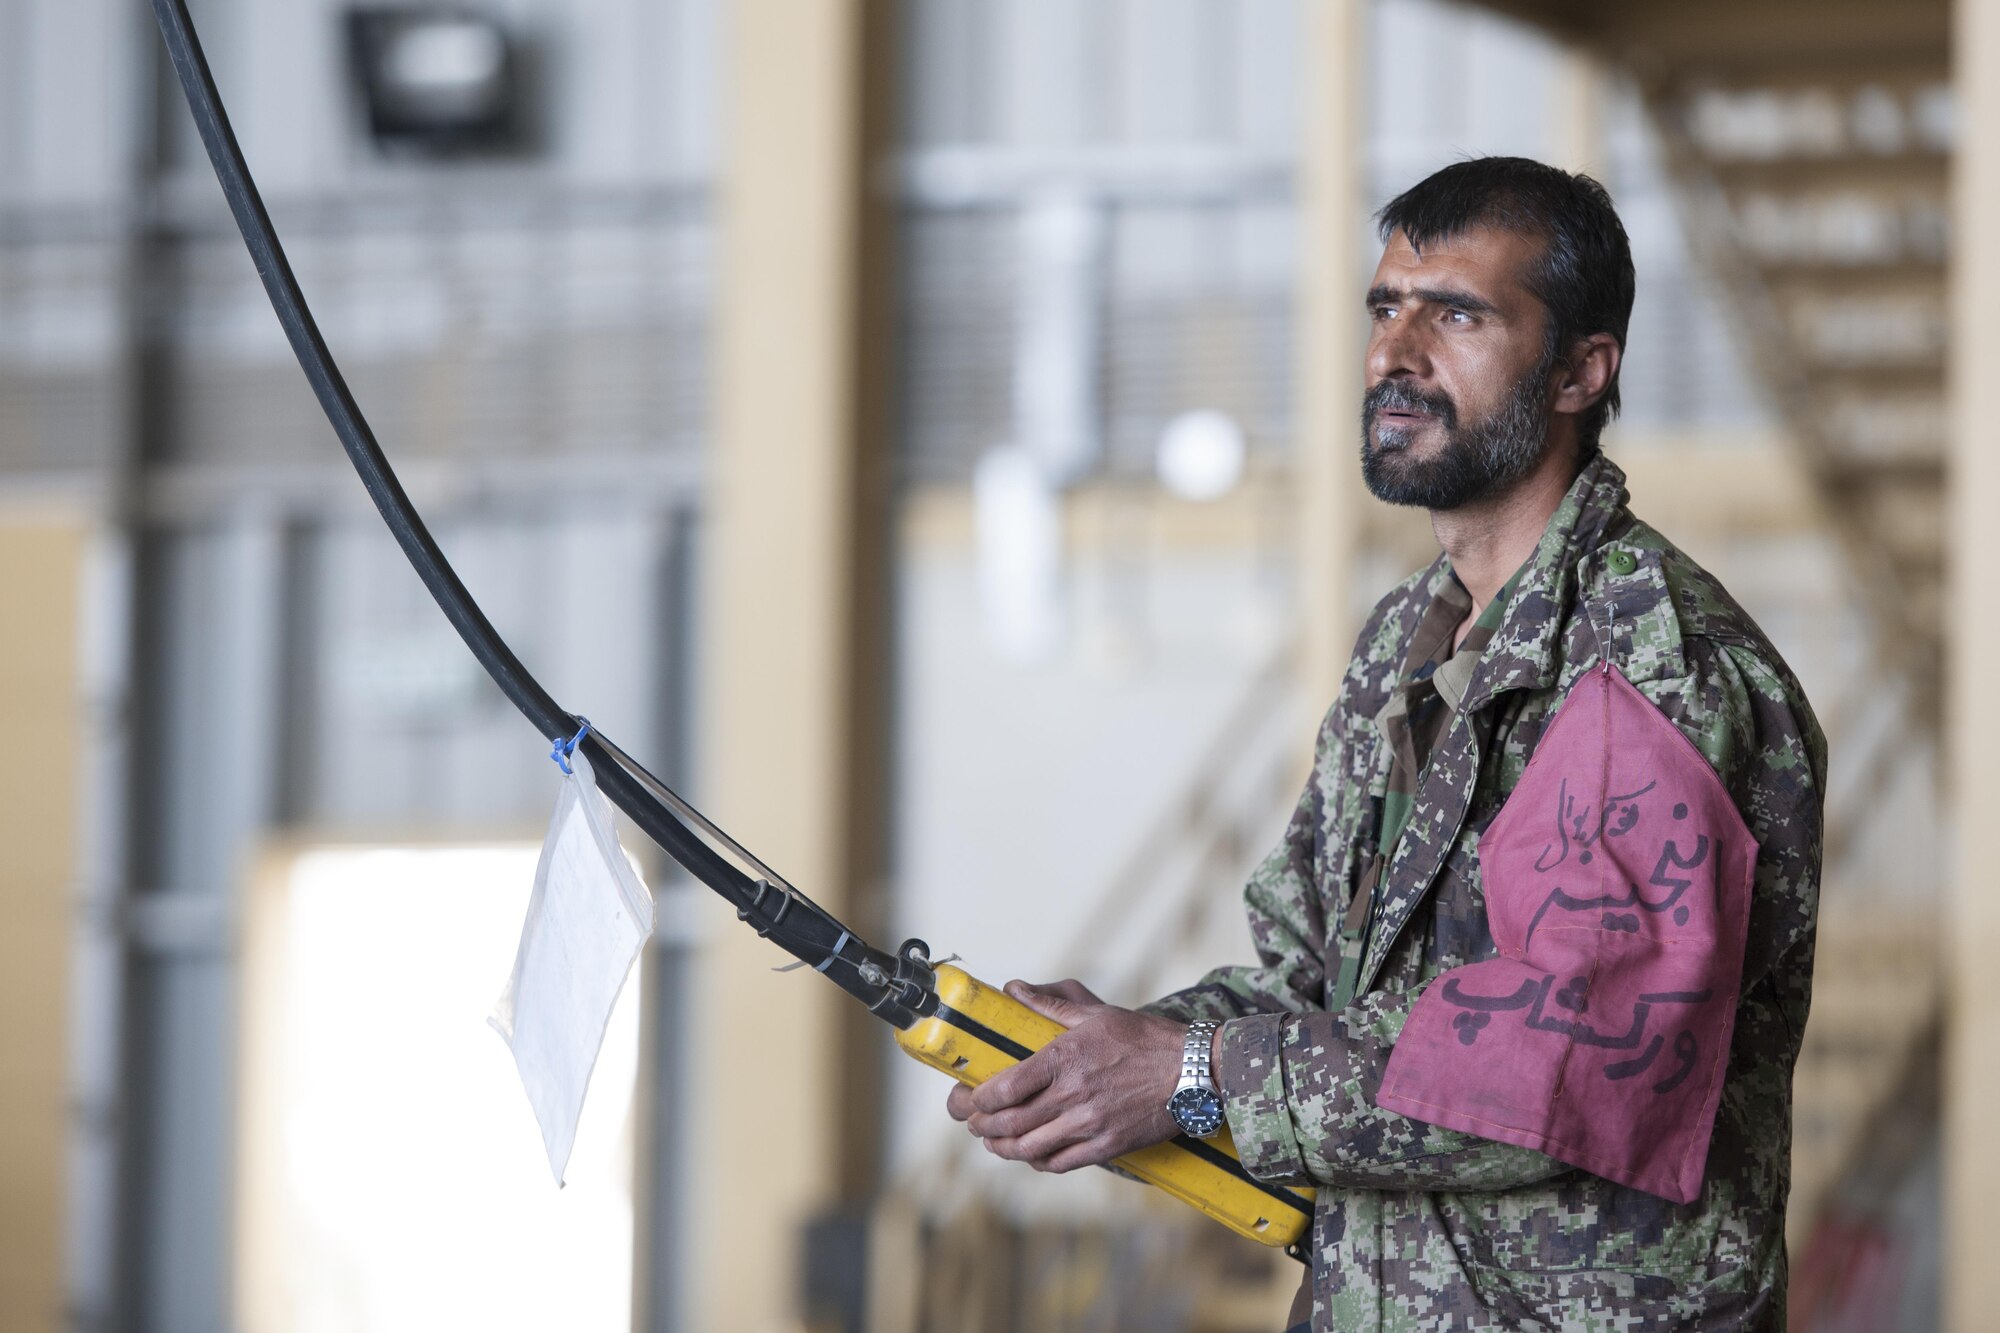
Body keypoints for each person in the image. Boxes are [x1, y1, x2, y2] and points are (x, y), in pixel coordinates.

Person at [946, 157, 1824, 1332]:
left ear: (1579, 370)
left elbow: (1566, 1053)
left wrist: (1188, 1078)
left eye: (1454, 313)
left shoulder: (1646, 665)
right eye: (1383, 308)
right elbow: (1307, 979)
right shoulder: (1407, 644)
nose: (1392, 356)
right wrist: (1110, 1055)